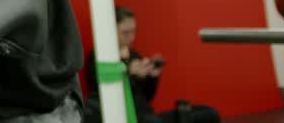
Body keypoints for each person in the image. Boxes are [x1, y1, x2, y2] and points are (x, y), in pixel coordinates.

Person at [83, 7, 220, 123]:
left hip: (150, 116)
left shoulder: (134, 54)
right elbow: (106, 95)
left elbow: (146, 97)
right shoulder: (99, 57)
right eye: (125, 33)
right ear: (111, 31)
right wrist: (129, 73)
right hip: (132, 118)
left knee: (209, 113)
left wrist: (152, 77)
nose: (131, 38)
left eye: (133, 31)